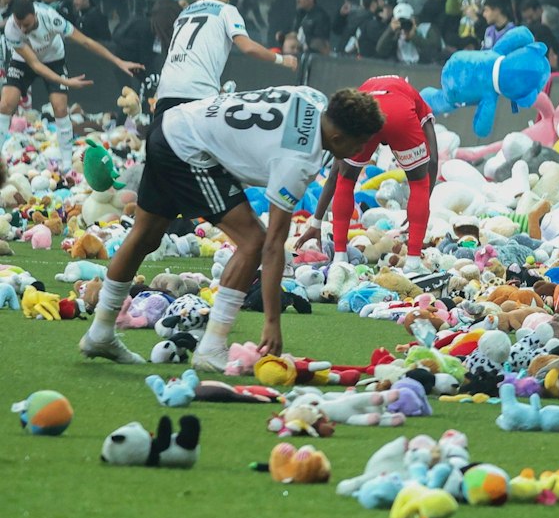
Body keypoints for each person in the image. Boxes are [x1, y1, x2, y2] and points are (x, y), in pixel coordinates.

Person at [79, 86, 384, 370]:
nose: (362, 150)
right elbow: (273, 245)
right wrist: (272, 322)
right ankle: (211, 347)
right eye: (360, 143)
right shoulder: (298, 159)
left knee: (144, 237)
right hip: (190, 151)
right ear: (340, 138)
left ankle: (100, 332)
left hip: (173, 124)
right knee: (253, 241)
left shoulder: (314, 98)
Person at [303, 76, 438, 259]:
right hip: (399, 112)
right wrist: (419, 208)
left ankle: (340, 256)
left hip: (367, 110)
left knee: (346, 179)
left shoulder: (358, 102)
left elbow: (334, 175)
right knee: (419, 184)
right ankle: (413, 261)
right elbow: (434, 161)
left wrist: (316, 222)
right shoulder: (417, 100)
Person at [1, 0, 145, 154]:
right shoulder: (10, 28)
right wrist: (67, 82)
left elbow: (86, 42)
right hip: (25, 59)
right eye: (19, 24)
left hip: (53, 58)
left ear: (35, 15)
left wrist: (119, 62)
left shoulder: (51, 18)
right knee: (6, 104)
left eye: (26, 25)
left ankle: (67, 165)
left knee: (60, 108)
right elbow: (35, 64)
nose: (22, 29)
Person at [153, 0, 296, 118]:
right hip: (198, 94)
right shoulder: (227, 10)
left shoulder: (184, 13)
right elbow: (248, 47)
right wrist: (281, 59)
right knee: (203, 139)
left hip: (166, 90)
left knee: (161, 139)